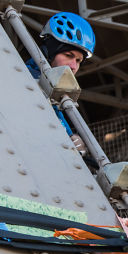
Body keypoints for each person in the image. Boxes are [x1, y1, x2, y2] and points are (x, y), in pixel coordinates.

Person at [25, 11, 96, 153]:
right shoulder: (27, 78)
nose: (74, 66)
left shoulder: (55, 93)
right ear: (49, 52)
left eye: (78, 61)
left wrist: (71, 137)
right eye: (68, 55)